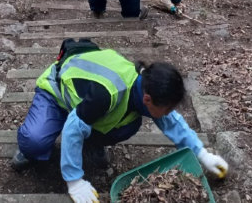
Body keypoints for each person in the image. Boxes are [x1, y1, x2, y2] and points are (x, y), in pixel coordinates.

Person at [12, 45, 228, 203]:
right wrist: (74, 180)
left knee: (129, 125)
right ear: (148, 99)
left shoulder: (146, 85)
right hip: (58, 93)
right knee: (35, 143)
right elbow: (72, 128)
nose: (169, 113)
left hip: (85, 104)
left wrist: (202, 154)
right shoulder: (109, 93)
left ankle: (92, 142)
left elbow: (171, 121)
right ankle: (32, 144)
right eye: (168, 108)